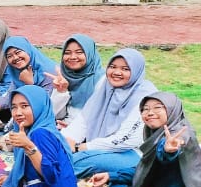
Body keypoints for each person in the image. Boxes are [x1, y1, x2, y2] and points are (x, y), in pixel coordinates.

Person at [83, 92, 200, 187]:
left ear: (172, 109)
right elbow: (146, 168)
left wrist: (168, 151)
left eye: (158, 107)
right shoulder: (159, 133)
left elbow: (168, 154)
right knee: (118, 184)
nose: (150, 113)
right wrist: (111, 176)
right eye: (145, 109)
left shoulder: (180, 136)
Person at [2, 86, 81, 187]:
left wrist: (28, 146)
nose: (18, 112)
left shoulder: (40, 134)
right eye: (14, 107)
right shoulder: (42, 129)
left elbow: (50, 175)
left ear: (39, 106)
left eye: (25, 106)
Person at [65, 49, 158, 177]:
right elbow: (85, 119)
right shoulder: (105, 87)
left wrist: (80, 147)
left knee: (78, 162)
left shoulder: (145, 96)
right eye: (113, 67)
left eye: (125, 69)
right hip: (100, 148)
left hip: (133, 153)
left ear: (136, 71)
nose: (117, 72)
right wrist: (66, 140)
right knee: (56, 150)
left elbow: (126, 140)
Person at [0, 37, 59, 115]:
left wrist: (29, 84)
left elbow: (43, 104)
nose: (15, 58)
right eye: (9, 56)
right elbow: (11, 92)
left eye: (18, 52)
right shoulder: (18, 71)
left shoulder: (49, 72)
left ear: (27, 50)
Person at [52, 35, 102, 120]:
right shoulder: (62, 76)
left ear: (90, 54)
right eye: (67, 53)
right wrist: (61, 91)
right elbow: (57, 115)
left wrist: (73, 125)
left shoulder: (102, 80)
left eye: (79, 52)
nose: (72, 57)